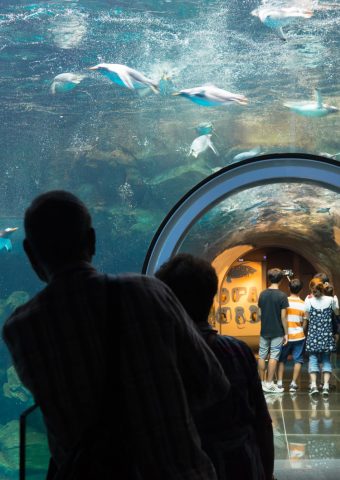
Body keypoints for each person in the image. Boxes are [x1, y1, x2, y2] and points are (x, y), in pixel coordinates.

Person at [2, 191, 231, 480]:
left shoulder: (21, 329)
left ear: (30, 253)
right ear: (92, 240)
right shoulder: (148, 292)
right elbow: (213, 385)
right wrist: (160, 405)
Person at [155, 253, 274, 480]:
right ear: (211, 299)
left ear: (166, 298)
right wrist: (266, 471)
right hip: (242, 464)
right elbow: (261, 419)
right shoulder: (236, 351)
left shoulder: (163, 357)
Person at [305, 277, 338, 397]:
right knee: (326, 361)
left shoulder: (308, 301)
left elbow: (306, 316)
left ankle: (314, 385)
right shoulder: (331, 300)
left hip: (313, 336)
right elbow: (336, 312)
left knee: (313, 360)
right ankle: (325, 386)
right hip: (327, 337)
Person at [258, 268, 289, 394]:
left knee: (262, 355)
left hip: (264, 330)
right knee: (274, 356)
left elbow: (259, 313)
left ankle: (261, 383)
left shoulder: (262, 294)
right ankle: (269, 384)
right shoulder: (282, 296)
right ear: (281, 280)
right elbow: (283, 317)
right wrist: (286, 333)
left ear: (269, 278)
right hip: (277, 331)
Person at [277, 278, 306, 392]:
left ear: (289, 288)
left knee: (281, 359)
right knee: (298, 360)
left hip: (285, 336)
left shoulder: (284, 302)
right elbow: (304, 322)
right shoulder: (303, 304)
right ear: (301, 290)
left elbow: (281, 317)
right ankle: (293, 383)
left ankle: (279, 383)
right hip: (299, 336)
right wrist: (300, 330)